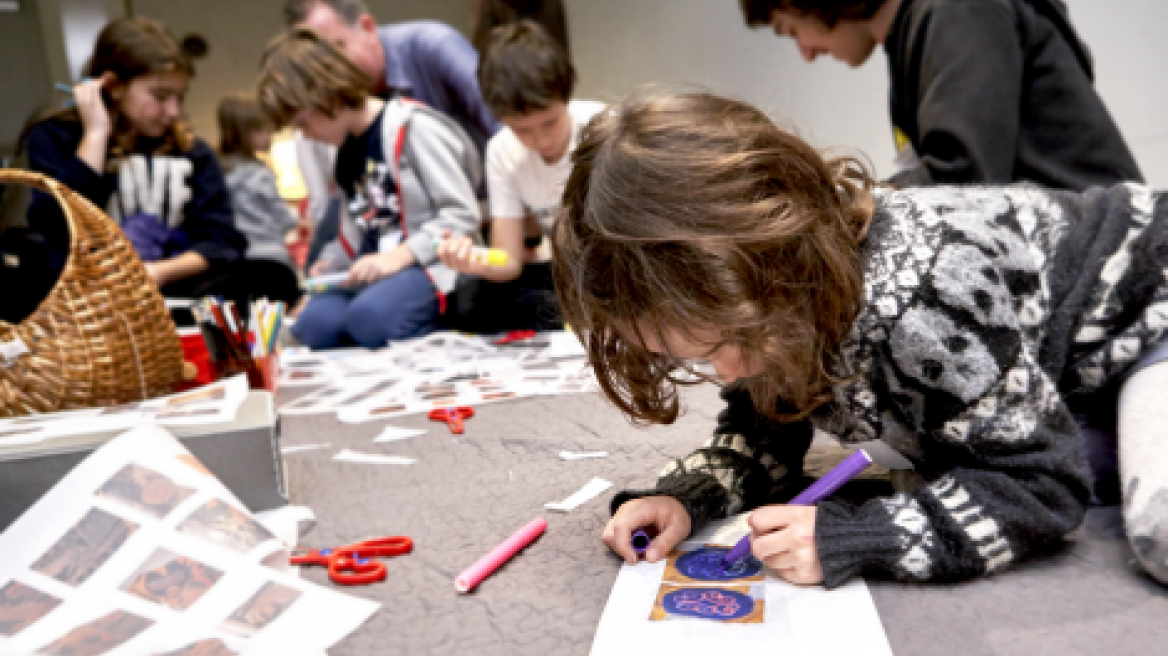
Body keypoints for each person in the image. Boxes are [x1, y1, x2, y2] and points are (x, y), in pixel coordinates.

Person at [551, 90, 1168, 587]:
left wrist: (860, 536)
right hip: (1072, 359)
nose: (734, 372)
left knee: (1155, 529)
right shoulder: (774, 296)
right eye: (698, 356)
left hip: (1153, 303)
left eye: (731, 341)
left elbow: (1044, 483)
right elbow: (763, 429)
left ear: (782, 263)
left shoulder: (924, 304)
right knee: (978, 451)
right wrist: (686, 497)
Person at [737, 0, 1143, 190]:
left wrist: (841, 204)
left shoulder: (958, 7)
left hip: (1113, 275)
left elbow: (964, 177)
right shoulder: (913, 32)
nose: (806, 52)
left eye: (791, 30)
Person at [258, 29, 482, 349]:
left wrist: (400, 255)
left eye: (303, 124)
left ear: (323, 97)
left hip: (431, 265)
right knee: (313, 326)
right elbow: (359, 226)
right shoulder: (345, 152)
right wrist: (332, 261)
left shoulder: (414, 127)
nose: (305, 136)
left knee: (370, 320)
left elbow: (461, 215)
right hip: (375, 275)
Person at [24, 17, 246, 301]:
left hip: (179, 303)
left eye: (180, 97)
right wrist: (96, 134)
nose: (174, 111)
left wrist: (159, 272)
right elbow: (56, 224)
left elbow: (222, 241)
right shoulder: (55, 137)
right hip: (88, 309)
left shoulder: (192, 152)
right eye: (161, 96)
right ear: (114, 86)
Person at [437, 21, 602, 333]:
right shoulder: (501, 150)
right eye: (521, 130)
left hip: (613, 268)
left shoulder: (601, 127)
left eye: (550, 123)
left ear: (565, 97)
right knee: (468, 300)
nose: (540, 141)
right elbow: (508, 261)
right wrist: (473, 260)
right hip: (562, 276)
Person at [284, 0, 500, 158]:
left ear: (367, 28)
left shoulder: (434, 46)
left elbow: (505, 126)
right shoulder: (340, 101)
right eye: (321, 62)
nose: (330, 70)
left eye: (337, 49)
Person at [216, 95, 304, 307]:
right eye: (262, 130)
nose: (271, 135)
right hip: (272, 259)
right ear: (242, 133)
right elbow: (284, 219)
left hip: (235, 261)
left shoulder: (220, 172)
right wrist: (300, 218)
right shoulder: (260, 173)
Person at [470, 0, 570, 59]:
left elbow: (560, 57)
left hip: (544, 83)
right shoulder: (486, 3)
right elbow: (480, 54)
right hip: (501, 84)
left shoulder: (551, 3)